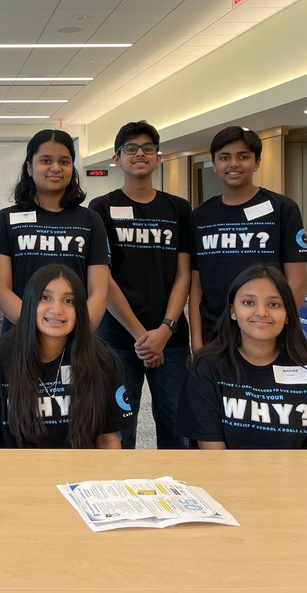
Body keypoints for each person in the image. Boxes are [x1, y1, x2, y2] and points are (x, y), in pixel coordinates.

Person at [89, 121, 193, 449]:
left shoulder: (179, 208)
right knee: (118, 430)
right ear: (116, 158)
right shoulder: (100, 208)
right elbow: (103, 278)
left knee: (179, 428)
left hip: (171, 338)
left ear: (158, 158)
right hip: (118, 339)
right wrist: (141, 336)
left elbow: (184, 274)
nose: (140, 154)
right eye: (131, 149)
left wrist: (165, 329)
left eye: (148, 149)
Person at [0, 265, 132, 448]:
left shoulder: (100, 357)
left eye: (69, 301)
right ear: (30, 303)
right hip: (14, 466)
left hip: (79, 466)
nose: (56, 309)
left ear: (80, 309)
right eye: (45, 298)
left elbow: (108, 440)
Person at [177, 265, 307, 449]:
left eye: (274, 304)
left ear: (288, 314)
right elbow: (213, 457)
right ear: (232, 311)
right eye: (248, 302)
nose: (261, 312)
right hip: (225, 469)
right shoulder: (205, 369)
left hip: (298, 469)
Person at [189, 126, 307, 351]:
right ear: (214, 164)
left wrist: (277, 326)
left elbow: (298, 281)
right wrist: (196, 341)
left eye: (243, 156)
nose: (234, 164)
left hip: (267, 333)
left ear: (257, 162)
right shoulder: (200, 215)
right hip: (213, 335)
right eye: (225, 157)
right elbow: (196, 285)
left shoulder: (283, 209)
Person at [0, 129, 110, 331]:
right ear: (29, 167)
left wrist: (75, 334)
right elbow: (2, 291)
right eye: (46, 161)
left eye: (64, 162)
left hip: (75, 336)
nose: (55, 168)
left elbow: (98, 292)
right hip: (21, 334)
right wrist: (39, 331)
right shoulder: (6, 219)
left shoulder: (91, 220)